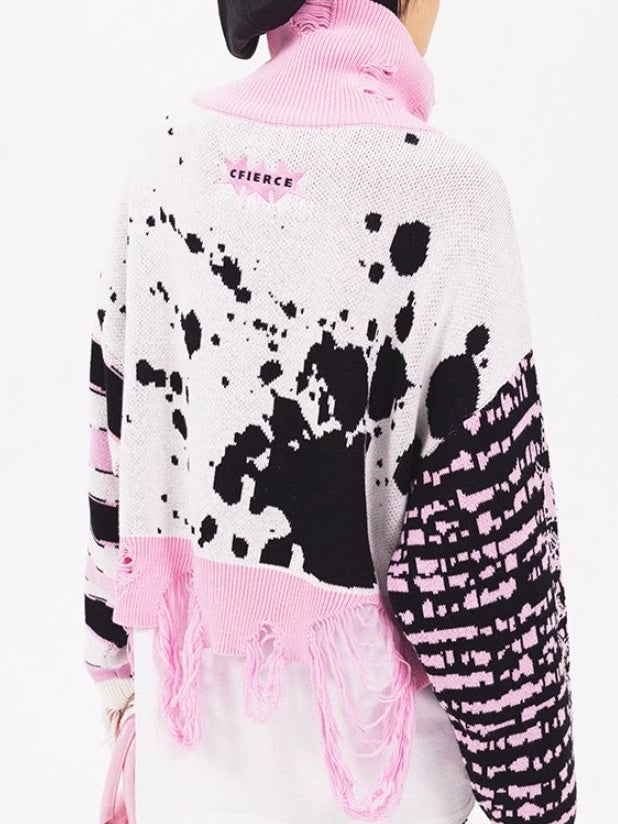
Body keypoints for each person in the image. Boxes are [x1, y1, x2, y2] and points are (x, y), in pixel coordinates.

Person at [84, 1, 577, 822]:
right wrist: (538, 797)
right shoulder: (449, 197)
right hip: (377, 780)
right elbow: (487, 568)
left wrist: (112, 669)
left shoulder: (165, 158)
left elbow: (117, 427)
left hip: (184, 763)